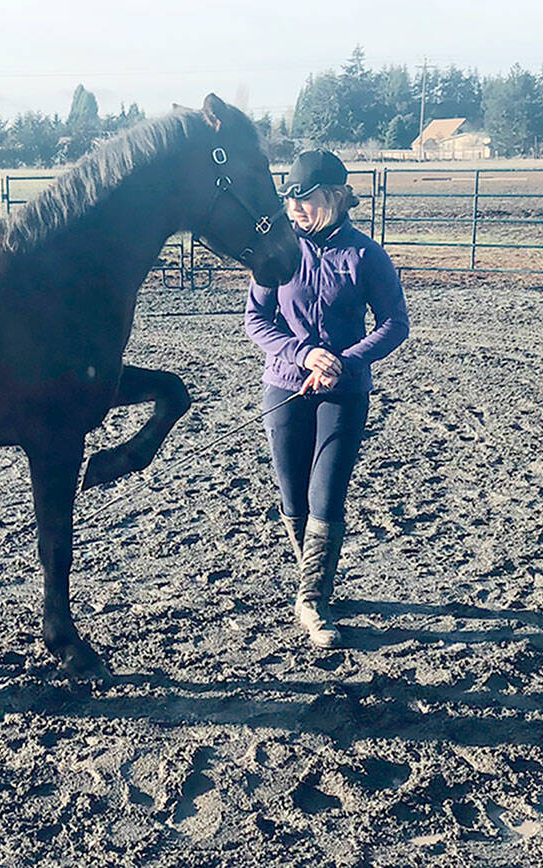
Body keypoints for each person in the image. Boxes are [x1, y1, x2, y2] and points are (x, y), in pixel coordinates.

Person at [243, 149, 410, 648]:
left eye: (306, 200)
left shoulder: (366, 255)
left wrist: (346, 361)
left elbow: (394, 323)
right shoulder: (276, 252)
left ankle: (313, 599)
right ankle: (312, 577)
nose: (295, 210)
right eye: (290, 200)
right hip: (285, 386)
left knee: (326, 494)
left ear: (336, 197)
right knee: (293, 497)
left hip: (344, 392)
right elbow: (256, 320)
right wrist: (303, 354)